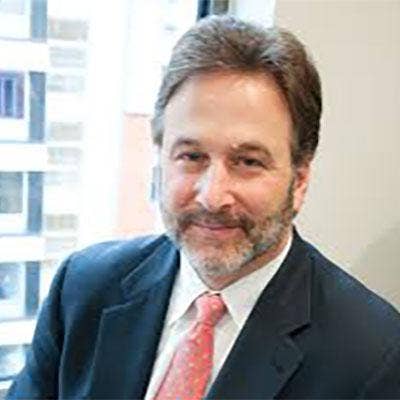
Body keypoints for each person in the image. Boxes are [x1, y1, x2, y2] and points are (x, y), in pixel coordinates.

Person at [7, 15, 400, 400]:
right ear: (160, 158)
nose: (212, 197)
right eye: (192, 156)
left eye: (248, 162)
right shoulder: (84, 288)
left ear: (299, 180)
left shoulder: (374, 354)